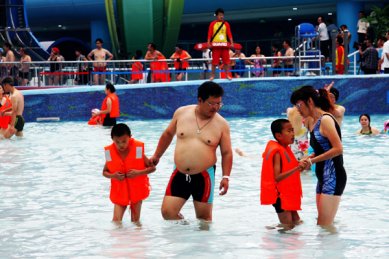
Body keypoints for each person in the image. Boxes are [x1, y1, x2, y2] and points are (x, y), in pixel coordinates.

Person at [150, 81, 233, 221]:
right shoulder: (181, 113)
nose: (216, 108)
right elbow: (168, 134)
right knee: (168, 213)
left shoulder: (222, 124)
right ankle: (185, 235)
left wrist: (226, 177)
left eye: (219, 104)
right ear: (200, 100)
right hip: (180, 173)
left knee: (203, 220)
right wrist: (157, 156)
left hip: (204, 176)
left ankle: (199, 242)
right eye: (212, 104)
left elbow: (227, 153)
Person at [291, 86, 347, 227]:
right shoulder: (313, 122)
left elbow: (338, 149)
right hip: (322, 177)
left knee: (325, 227)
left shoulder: (326, 119)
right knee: (323, 226)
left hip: (333, 177)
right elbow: (322, 149)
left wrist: (312, 160)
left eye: (299, 105)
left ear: (309, 101)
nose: (298, 110)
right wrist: (308, 158)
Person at [102, 123, 156, 222]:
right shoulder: (109, 153)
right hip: (120, 191)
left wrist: (138, 173)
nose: (121, 145)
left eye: (124, 141)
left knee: (135, 221)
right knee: (116, 222)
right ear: (112, 139)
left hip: (136, 191)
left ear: (130, 138)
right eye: (117, 142)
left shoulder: (138, 150)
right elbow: (104, 172)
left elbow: (152, 168)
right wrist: (113, 175)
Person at [260, 119, 303, 229]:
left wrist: (304, 162)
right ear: (279, 136)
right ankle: (273, 232)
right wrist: (297, 168)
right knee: (287, 227)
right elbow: (277, 177)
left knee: (297, 222)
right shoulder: (277, 153)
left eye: (293, 130)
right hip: (279, 196)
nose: (293, 134)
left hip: (287, 194)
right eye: (289, 131)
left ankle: (274, 228)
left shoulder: (285, 148)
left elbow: (290, 167)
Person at [207, 8, 234, 80]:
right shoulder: (212, 23)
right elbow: (209, 34)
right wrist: (208, 43)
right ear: (216, 16)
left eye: (222, 15)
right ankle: (212, 76)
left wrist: (232, 43)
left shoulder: (226, 24)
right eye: (219, 15)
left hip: (224, 45)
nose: (221, 16)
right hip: (215, 45)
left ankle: (227, 75)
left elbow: (229, 34)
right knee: (214, 62)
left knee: (226, 61)